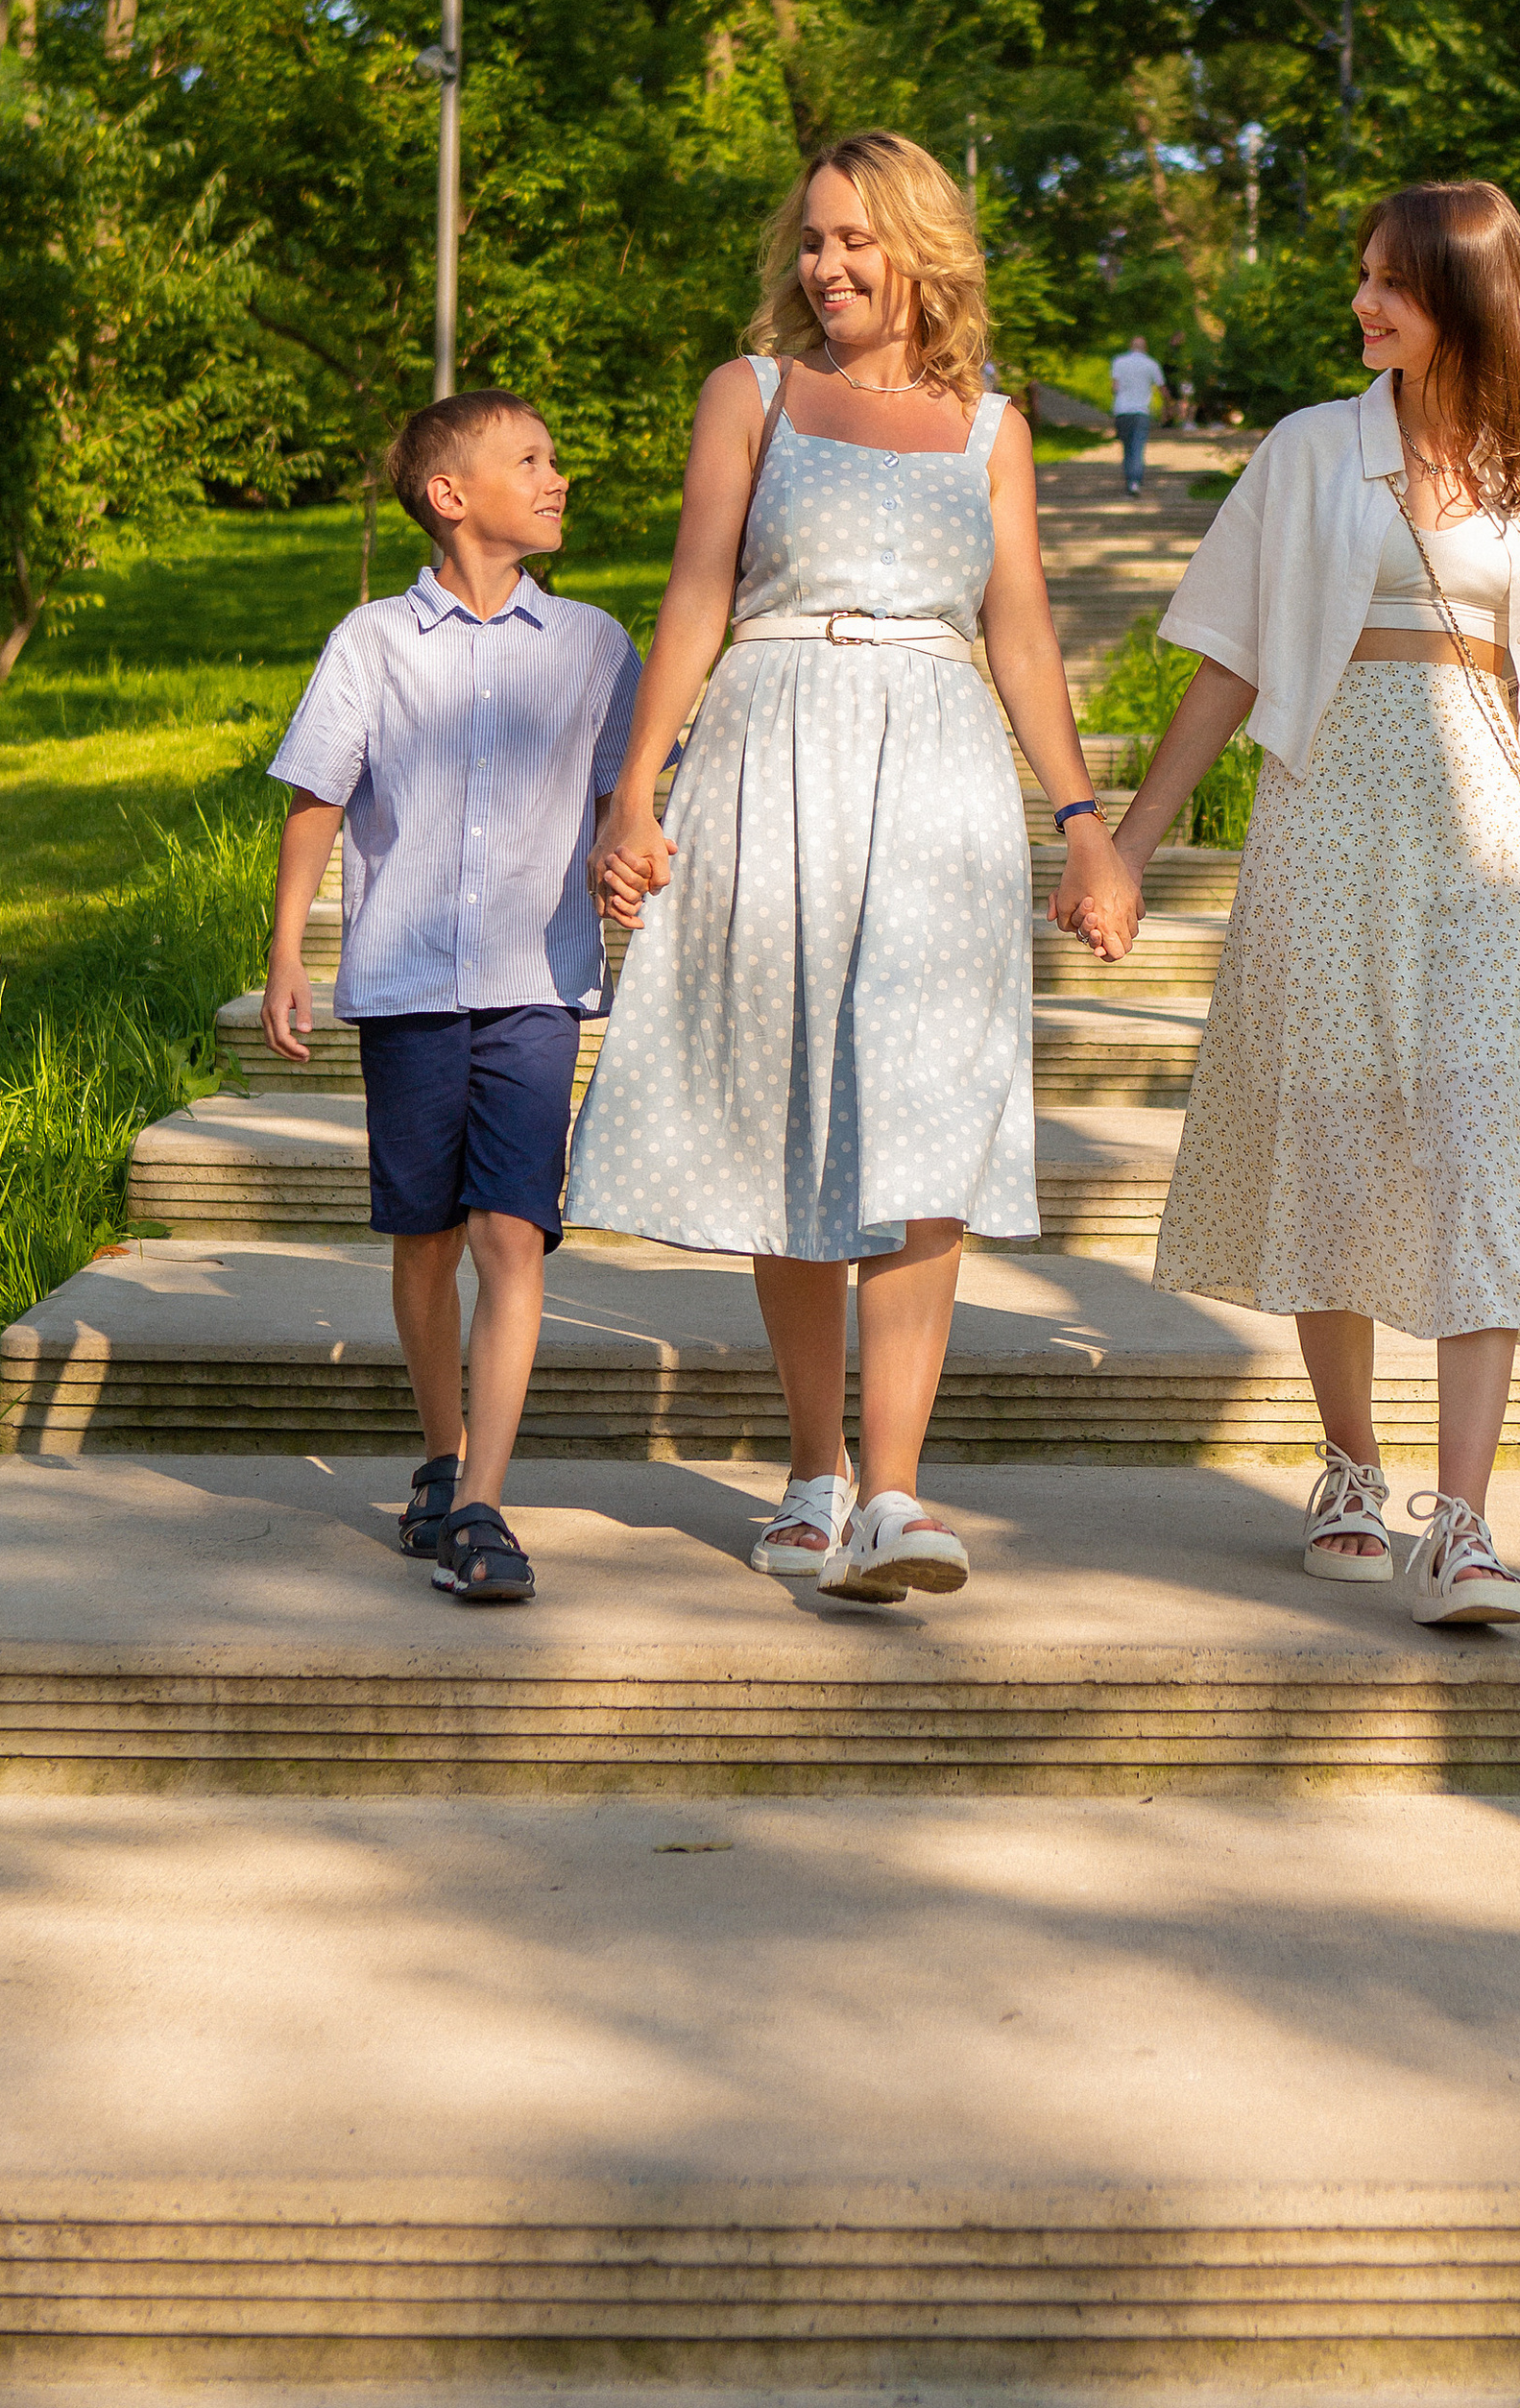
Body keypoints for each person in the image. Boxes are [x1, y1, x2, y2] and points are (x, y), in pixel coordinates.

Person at [565, 131, 1140, 1600]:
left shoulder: (992, 427)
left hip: (941, 771)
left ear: (922, 249)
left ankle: (895, 1492)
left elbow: (1022, 632)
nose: (827, 265)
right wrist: (634, 793)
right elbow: (697, 590)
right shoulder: (750, 394)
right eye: (813, 239)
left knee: (931, 1114)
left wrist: (1084, 822)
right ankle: (815, 1472)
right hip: (773, 745)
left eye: (856, 239)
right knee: (797, 1112)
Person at [1106, 178, 1520, 1625]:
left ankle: (1464, 1525)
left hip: (1482, 842)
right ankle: (1351, 1466)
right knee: (1335, 1135)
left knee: (1481, 1149)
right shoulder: (1309, 449)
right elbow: (1227, 663)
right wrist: (1131, 842)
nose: (1363, 303)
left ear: (1467, 299)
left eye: (1393, 284)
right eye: (1362, 275)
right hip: (1323, 827)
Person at [261, 393, 639, 1605]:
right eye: (531, 458)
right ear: (449, 494)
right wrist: (286, 951)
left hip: (537, 987)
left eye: (554, 455)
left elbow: (623, 805)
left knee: (511, 1231)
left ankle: (482, 1499)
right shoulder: (373, 640)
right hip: (410, 985)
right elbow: (318, 797)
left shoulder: (593, 645)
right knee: (424, 1237)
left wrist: (628, 866)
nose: (557, 475)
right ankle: (438, 1455)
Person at [1109, 335, 1165, 494]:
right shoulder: (1151, 364)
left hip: (1122, 411)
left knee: (1127, 447)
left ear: (1130, 346)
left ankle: (1130, 479)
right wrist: (1167, 408)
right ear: (1145, 348)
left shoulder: (1119, 361)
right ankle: (1135, 481)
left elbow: (1114, 387)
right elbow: (1161, 387)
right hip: (1141, 411)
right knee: (1138, 446)